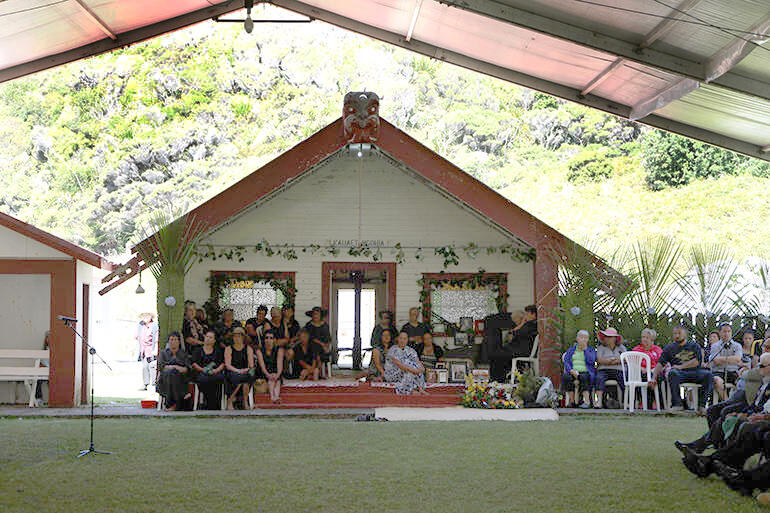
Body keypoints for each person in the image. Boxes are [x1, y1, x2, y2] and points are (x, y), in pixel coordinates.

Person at [678, 353, 770, 482]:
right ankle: (708, 457)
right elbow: (756, 406)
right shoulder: (764, 383)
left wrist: (756, 416)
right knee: (724, 416)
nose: (758, 368)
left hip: (761, 419)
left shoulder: (764, 382)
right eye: (758, 364)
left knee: (744, 425)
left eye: (762, 365)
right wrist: (746, 413)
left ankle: (710, 461)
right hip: (756, 415)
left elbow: (762, 409)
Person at [652, 325, 712, 412]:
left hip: (695, 372)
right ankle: (677, 404)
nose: (677, 336)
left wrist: (680, 367)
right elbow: (660, 363)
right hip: (679, 374)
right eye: (675, 333)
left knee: (708, 375)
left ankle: (701, 405)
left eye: (679, 333)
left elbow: (696, 362)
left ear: (685, 334)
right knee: (672, 373)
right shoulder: (669, 348)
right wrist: (653, 378)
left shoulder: (694, 346)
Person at [384, 331, 428, 395]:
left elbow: (418, 362)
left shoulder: (411, 350)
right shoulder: (392, 350)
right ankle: (410, 390)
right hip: (393, 373)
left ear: (407, 340)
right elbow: (401, 365)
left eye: (404, 339)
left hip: (407, 372)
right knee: (408, 365)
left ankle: (419, 388)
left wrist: (421, 369)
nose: (402, 340)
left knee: (414, 367)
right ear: (398, 339)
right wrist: (415, 371)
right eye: (401, 338)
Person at [191, 329, 225, 409]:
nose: (208, 338)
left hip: (214, 373)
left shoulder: (218, 351)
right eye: (207, 336)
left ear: (214, 340)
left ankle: (215, 404)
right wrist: (203, 370)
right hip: (201, 372)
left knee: (219, 378)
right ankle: (207, 403)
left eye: (211, 337)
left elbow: (222, 364)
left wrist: (216, 371)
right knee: (203, 379)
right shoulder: (198, 350)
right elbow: (194, 363)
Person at [562, 330, 597, 408]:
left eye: (585, 338)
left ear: (588, 340)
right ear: (577, 338)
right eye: (581, 337)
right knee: (566, 377)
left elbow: (592, 360)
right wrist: (571, 370)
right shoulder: (571, 349)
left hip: (585, 372)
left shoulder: (591, 350)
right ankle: (572, 401)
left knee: (584, 377)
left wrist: (585, 350)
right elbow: (566, 361)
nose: (583, 339)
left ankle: (587, 402)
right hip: (573, 371)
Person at [709, 323, 743, 402]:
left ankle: (739, 404)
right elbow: (716, 361)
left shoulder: (737, 346)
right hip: (718, 372)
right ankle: (727, 402)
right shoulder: (715, 346)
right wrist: (732, 360)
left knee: (742, 381)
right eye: (724, 331)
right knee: (716, 380)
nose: (726, 334)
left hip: (733, 372)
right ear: (720, 333)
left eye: (729, 331)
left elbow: (738, 359)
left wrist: (722, 359)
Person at [630, 328, 663, 408]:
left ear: (652, 339)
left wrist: (653, 370)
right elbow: (632, 362)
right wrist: (641, 368)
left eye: (647, 338)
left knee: (659, 377)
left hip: (654, 372)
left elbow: (662, 363)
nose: (644, 339)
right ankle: (642, 401)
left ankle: (656, 400)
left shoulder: (658, 350)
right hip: (641, 372)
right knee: (641, 377)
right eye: (643, 337)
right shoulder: (636, 349)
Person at [157, 332, 190, 411]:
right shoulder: (163, 353)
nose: (173, 342)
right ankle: (176, 403)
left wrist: (174, 368)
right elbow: (162, 367)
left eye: (175, 339)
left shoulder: (183, 354)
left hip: (180, 379)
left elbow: (186, 369)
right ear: (168, 342)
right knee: (171, 374)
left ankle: (170, 404)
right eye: (171, 339)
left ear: (179, 342)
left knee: (174, 374)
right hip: (165, 379)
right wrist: (175, 367)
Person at [224, 327, 255, 410]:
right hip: (232, 371)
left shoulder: (248, 349)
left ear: (243, 338)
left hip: (245, 371)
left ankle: (244, 401)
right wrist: (238, 371)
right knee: (237, 377)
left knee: (248, 377)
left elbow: (251, 365)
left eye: (239, 336)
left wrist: (245, 370)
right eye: (235, 336)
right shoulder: (228, 348)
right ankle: (230, 401)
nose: (237, 338)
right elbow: (227, 365)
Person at [595, 327, 627, 409]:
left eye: (610, 337)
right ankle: (599, 401)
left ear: (615, 338)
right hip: (603, 370)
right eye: (606, 336)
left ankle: (625, 401)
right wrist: (610, 361)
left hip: (618, 370)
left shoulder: (621, 348)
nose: (607, 338)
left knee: (624, 379)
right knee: (599, 378)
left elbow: (626, 358)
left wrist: (616, 361)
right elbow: (599, 360)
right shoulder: (601, 347)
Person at [256, 330, 285, 402]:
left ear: (274, 340)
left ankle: (275, 397)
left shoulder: (279, 350)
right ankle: (274, 397)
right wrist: (268, 375)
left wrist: (277, 375)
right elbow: (262, 367)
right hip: (263, 373)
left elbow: (280, 366)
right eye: (266, 338)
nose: (268, 340)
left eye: (271, 338)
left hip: (275, 373)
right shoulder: (259, 351)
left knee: (276, 379)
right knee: (272, 379)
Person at [135, 312, 158, 391]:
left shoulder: (154, 325)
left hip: (151, 349)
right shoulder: (140, 325)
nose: (145, 317)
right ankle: (145, 384)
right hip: (143, 350)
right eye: (144, 316)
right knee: (144, 367)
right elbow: (137, 336)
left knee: (152, 367)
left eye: (147, 316)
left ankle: (154, 384)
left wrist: (155, 349)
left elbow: (156, 337)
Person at [305, 306, 332, 372]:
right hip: (311, 346)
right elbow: (310, 337)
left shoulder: (325, 325)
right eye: (314, 314)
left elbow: (328, 338)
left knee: (320, 349)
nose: (315, 316)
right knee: (314, 346)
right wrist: (322, 344)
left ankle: (318, 367)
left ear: (320, 315)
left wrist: (326, 346)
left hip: (322, 347)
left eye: (317, 314)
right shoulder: (309, 325)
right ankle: (318, 365)